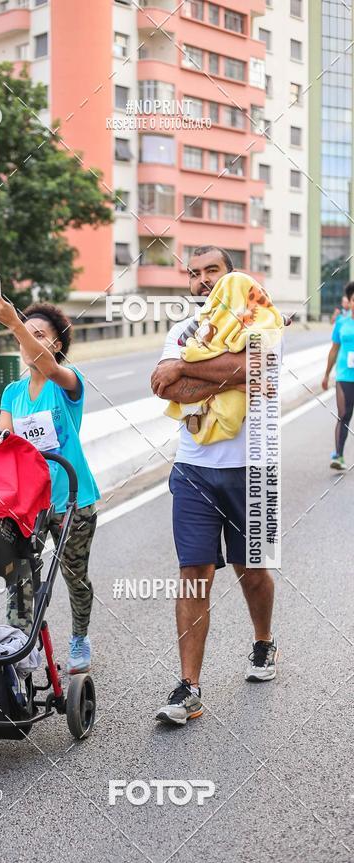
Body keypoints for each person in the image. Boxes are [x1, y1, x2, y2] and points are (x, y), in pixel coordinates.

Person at [150, 246, 278, 726]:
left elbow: (256, 369)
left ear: (233, 277)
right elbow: (167, 389)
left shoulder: (262, 321)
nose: (204, 280)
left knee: (252, 568)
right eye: (196, 273)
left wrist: (186, 368)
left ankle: (263, 642)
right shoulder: (178, 332)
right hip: (193, 468)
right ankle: (190, 687)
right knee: (194, 572)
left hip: (254, 467)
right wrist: (220, 373)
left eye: (214, 271)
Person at [0, 295, 100, 674]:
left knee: (73, 573)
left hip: (73, 498)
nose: (28, 342)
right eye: (25, 335)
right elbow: (2, 442)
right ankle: (19, 646)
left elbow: (47, 366)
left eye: (39, 335)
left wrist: (14, 323)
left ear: (56, 344)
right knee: (19, 573)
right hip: (29, 503)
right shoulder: (13, 393)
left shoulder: (68, 382)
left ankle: (79, 637)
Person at [322, 281, 354, 471]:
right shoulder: (342, 322)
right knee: (344, 414)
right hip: (344, 375)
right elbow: (334, 350)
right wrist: (326, 374)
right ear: (349, 302)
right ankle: (338, 455)